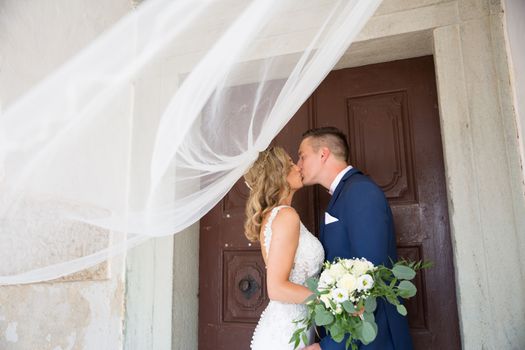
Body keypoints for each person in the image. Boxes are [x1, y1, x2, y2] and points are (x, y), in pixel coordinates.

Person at [297, 127, 413, 350]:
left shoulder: (360, 192)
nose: (298, 164)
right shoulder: (345, 193)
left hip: (376, 340)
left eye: (302, 156)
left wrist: (328, 347)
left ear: (323, 154)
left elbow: (371, 279)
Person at [245, 146, 325, 350]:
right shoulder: (286, 216)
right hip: (287, 335)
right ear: (277, 175)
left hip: (296, 325)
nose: (298, 167)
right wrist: (331, 302)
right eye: (290, 164)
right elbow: (277, 288)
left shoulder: (275, 216)